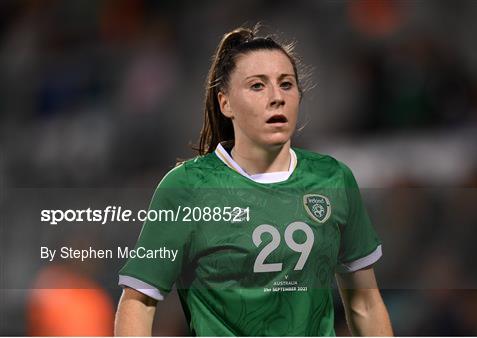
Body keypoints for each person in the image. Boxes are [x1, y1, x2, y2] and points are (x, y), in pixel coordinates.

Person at [115, 25, 393, 336]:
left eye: (286, 84)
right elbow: (138, 301)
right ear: (226, 103)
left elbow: (364, 304)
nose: (276, 97)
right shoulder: (188, 188)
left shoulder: (333, 178)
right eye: (257, 86)